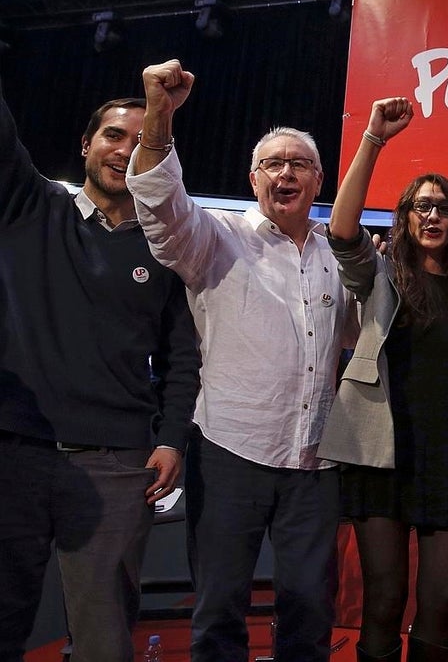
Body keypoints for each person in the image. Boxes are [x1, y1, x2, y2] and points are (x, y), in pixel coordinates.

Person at [125, 59, 357, 662]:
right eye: (273, 164)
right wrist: (159, 117)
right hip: (231, 451)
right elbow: (159, 204)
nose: (287, 172)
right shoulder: (215, 236)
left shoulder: (341, 254)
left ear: (319, 179)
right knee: (220, 609)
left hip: (316, 460)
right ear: (253, 179)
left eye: (300, 163)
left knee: (309, 610)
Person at [0, 72, 200, 658]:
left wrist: (172, 439)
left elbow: (182, 356)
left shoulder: (167, 243)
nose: (124, 150)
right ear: (86, 145)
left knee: (104, 638)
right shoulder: (28, 203)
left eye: (140, 141)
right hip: (15, 451)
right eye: (113, 135)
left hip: (117, 462)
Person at [316, 97, 448, 662]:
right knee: (385, 598)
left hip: (447, 460)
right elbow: (342, 231)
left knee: (441, 599)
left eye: (443, 208)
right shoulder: (384, 275)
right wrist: (373, 138)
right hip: (381, 455)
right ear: (406, 219)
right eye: (420, 207)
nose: (432, 216)